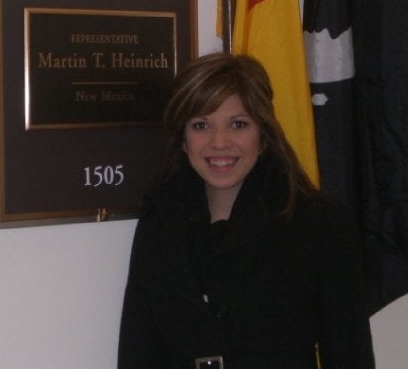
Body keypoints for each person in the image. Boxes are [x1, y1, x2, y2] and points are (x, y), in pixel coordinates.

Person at [117, 52, 375, 368]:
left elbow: (350, 355)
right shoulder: (159, 220)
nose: (220, 142)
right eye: (201, 125)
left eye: (238, 124)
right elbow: (138, 351)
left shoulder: (321, 224)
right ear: (183, 140)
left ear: (264, 135)